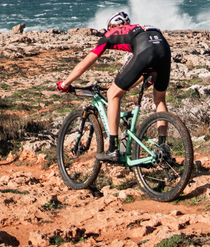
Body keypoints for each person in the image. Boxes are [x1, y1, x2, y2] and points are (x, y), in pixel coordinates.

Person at [56, 11, 172, 163]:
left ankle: (113, 148)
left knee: (112, 94)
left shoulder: (110, 34)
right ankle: (162, 147)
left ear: (111, 26)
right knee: (160, 99)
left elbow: (86, 62)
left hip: (145, 50)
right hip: (164, 48)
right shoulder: (140, 28)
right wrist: (130, 85)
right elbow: (144, 64)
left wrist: (65, 83)